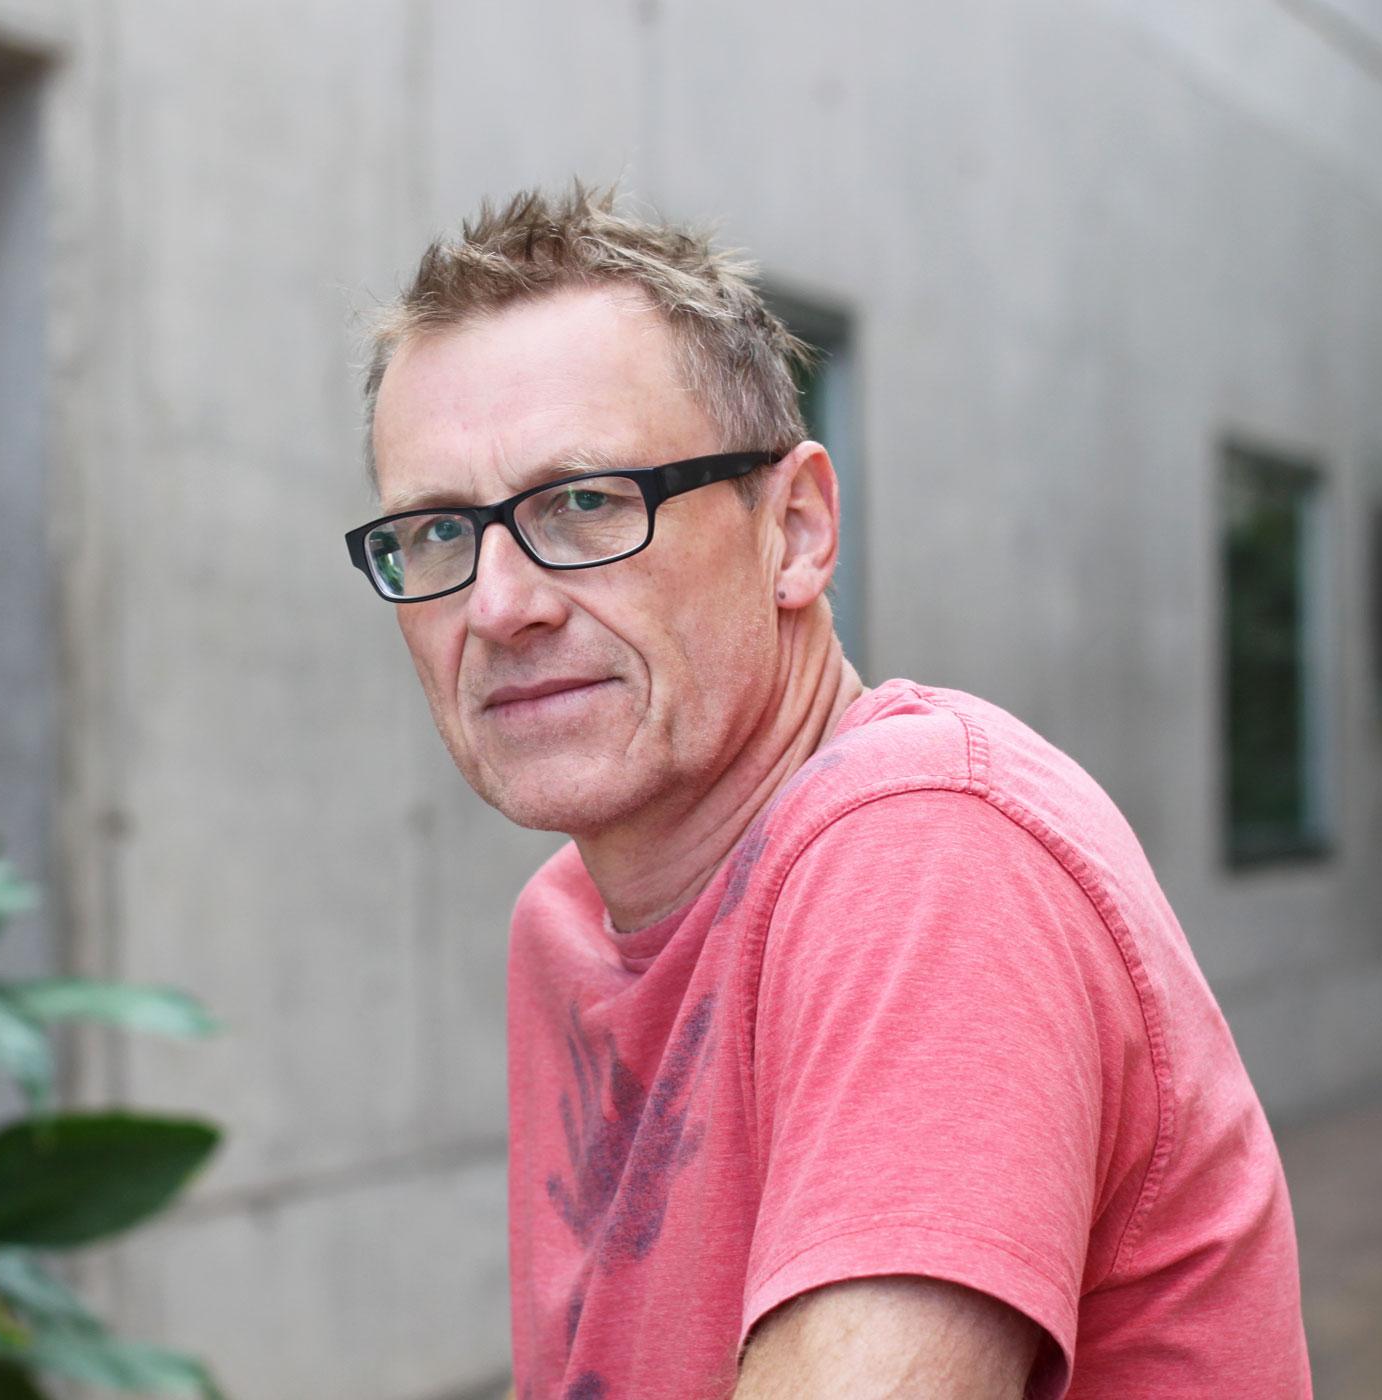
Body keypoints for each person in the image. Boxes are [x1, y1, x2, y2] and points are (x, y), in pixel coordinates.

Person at [346, 183, 1312, 1400]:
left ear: (796, 529)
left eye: (584, 503)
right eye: (437, 532)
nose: (498, 605)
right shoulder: (568, 923)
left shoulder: (927, 849)